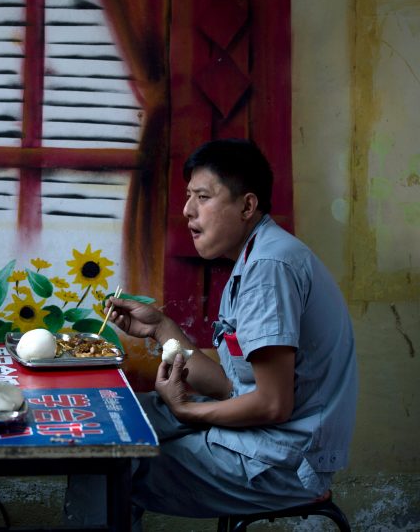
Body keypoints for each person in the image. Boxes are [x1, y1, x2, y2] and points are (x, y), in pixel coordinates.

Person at [64, 138, 358, 527]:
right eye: (189, 197)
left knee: (104, 460)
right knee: (115, 419)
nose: (187, 211)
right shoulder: (256, 258)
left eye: (203, 197)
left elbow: (272, 405)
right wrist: (160, 329)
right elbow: (230, 386)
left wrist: (187, 410)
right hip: (263, 443)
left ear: (247, 206)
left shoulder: (270, 269)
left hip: (277, 462)